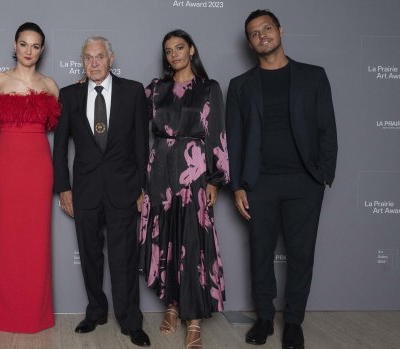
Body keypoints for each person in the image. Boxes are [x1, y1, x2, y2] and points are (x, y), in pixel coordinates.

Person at [226, 9, 338, 349]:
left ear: (280, 31)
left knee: (301, 254)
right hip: (259, 183)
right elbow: (234, 140)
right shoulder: (240, 86)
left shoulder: (313, 76)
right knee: (260, 253)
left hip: (304, 181)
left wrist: (324, 176)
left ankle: (293, 322)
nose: (262, 35)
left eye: (267, 28)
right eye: (255, 33)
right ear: (249, 42)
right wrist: (238, 186)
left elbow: (327, 129)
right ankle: (263, 318)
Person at [53, 36, 151, 347]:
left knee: (123, 258)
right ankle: (95, 311)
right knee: (91, 255)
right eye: (88, 57)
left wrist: (142, 189)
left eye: (99, 56)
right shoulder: (69, 95)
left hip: (124, 189)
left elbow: (141, 145)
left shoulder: (134, 92)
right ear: (81, 61)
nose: (94, 63)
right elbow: (59, 150)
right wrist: (64, 189)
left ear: (111, 58)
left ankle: (130, 320)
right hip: (85, 190)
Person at [138, 29, 229, 349]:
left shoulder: (208, 88)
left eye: (179, 47)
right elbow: (124, 108)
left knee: (192, 243)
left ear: (191, 49)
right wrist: (92, 87)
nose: (174, 54)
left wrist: (215, 179)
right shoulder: (155, 89)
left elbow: (216, 132)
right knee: (166, 240)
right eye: (168, 50)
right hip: (160, 170)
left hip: (194, 173)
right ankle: (172, 306)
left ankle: (193, 320)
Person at [0, 22, 60, 333]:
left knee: (37, 241)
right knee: (9, 241)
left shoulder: (51, 86)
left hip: (38, 168)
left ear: (42, 50)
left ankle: (36, 315)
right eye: (24, 44)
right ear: (14, 46)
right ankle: (6, 315)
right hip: (7, 166)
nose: (29, 51)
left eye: (35, 45)